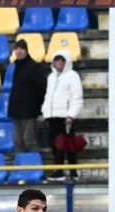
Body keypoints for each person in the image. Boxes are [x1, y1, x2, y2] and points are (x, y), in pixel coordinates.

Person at [41, 50, 84, 181]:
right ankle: (59, 170)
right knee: (55, 144)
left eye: (62, 60)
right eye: (57, 60)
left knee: (68, 145)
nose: (59, 62)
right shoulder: (51, 77)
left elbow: (77, 97)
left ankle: (73, 171)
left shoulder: (73, 76)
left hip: (65, 116)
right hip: (52, 116)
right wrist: (45, 111)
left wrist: (71, 115)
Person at [8, 39, 47, 153]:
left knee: (29, 141)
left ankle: (33, 166)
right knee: (17, 142)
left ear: (26, 51)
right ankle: (20, 167)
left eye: (22, 49)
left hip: (29, 110)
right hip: (16, 110)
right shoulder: (16, 66)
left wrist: (36, 106)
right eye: (17, 49)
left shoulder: (34, 66)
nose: (19, 51)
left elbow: (42, 88)